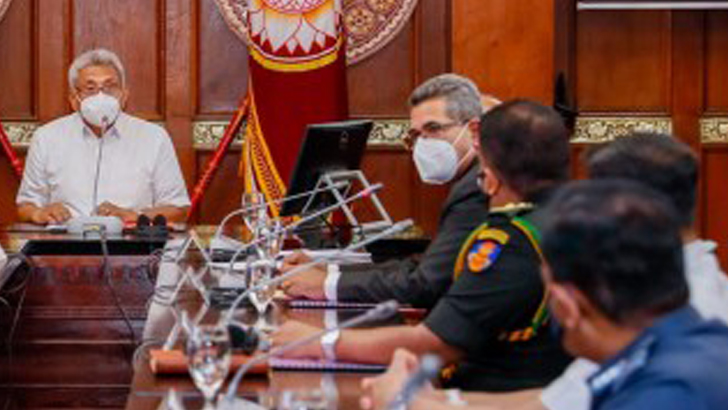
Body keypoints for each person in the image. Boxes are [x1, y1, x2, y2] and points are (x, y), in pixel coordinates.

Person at [362, 136, 728, 409]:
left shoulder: (670, 390)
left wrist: (403, 404)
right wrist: (423, 401)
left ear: (567, 305)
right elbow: (560, 401)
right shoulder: (669, 329)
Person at [272, 100, 572, 392]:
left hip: (481, 394)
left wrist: (318, 342)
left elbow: (437, 344)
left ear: (491, 179)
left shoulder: (511, 242)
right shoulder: (568, 218)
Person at [280, 74, 492, 308]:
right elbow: (423, 266)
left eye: (433, 128)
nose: (424, 143)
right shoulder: (472, 176)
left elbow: (425, 284)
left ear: (473, 131)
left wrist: (327, 284)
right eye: (416, 135)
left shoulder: (479, 186)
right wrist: (330, 270)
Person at [16, 48, 190, 225]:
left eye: (110, 87)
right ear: (74, 100)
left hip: (132, 246)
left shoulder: (154, 137)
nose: (101, 96)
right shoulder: (46, 137)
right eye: (90, 89)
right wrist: (40, 213)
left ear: (124, 96)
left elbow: (178, 209)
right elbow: (25, 206)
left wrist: (135, 216)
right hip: (65, 245)